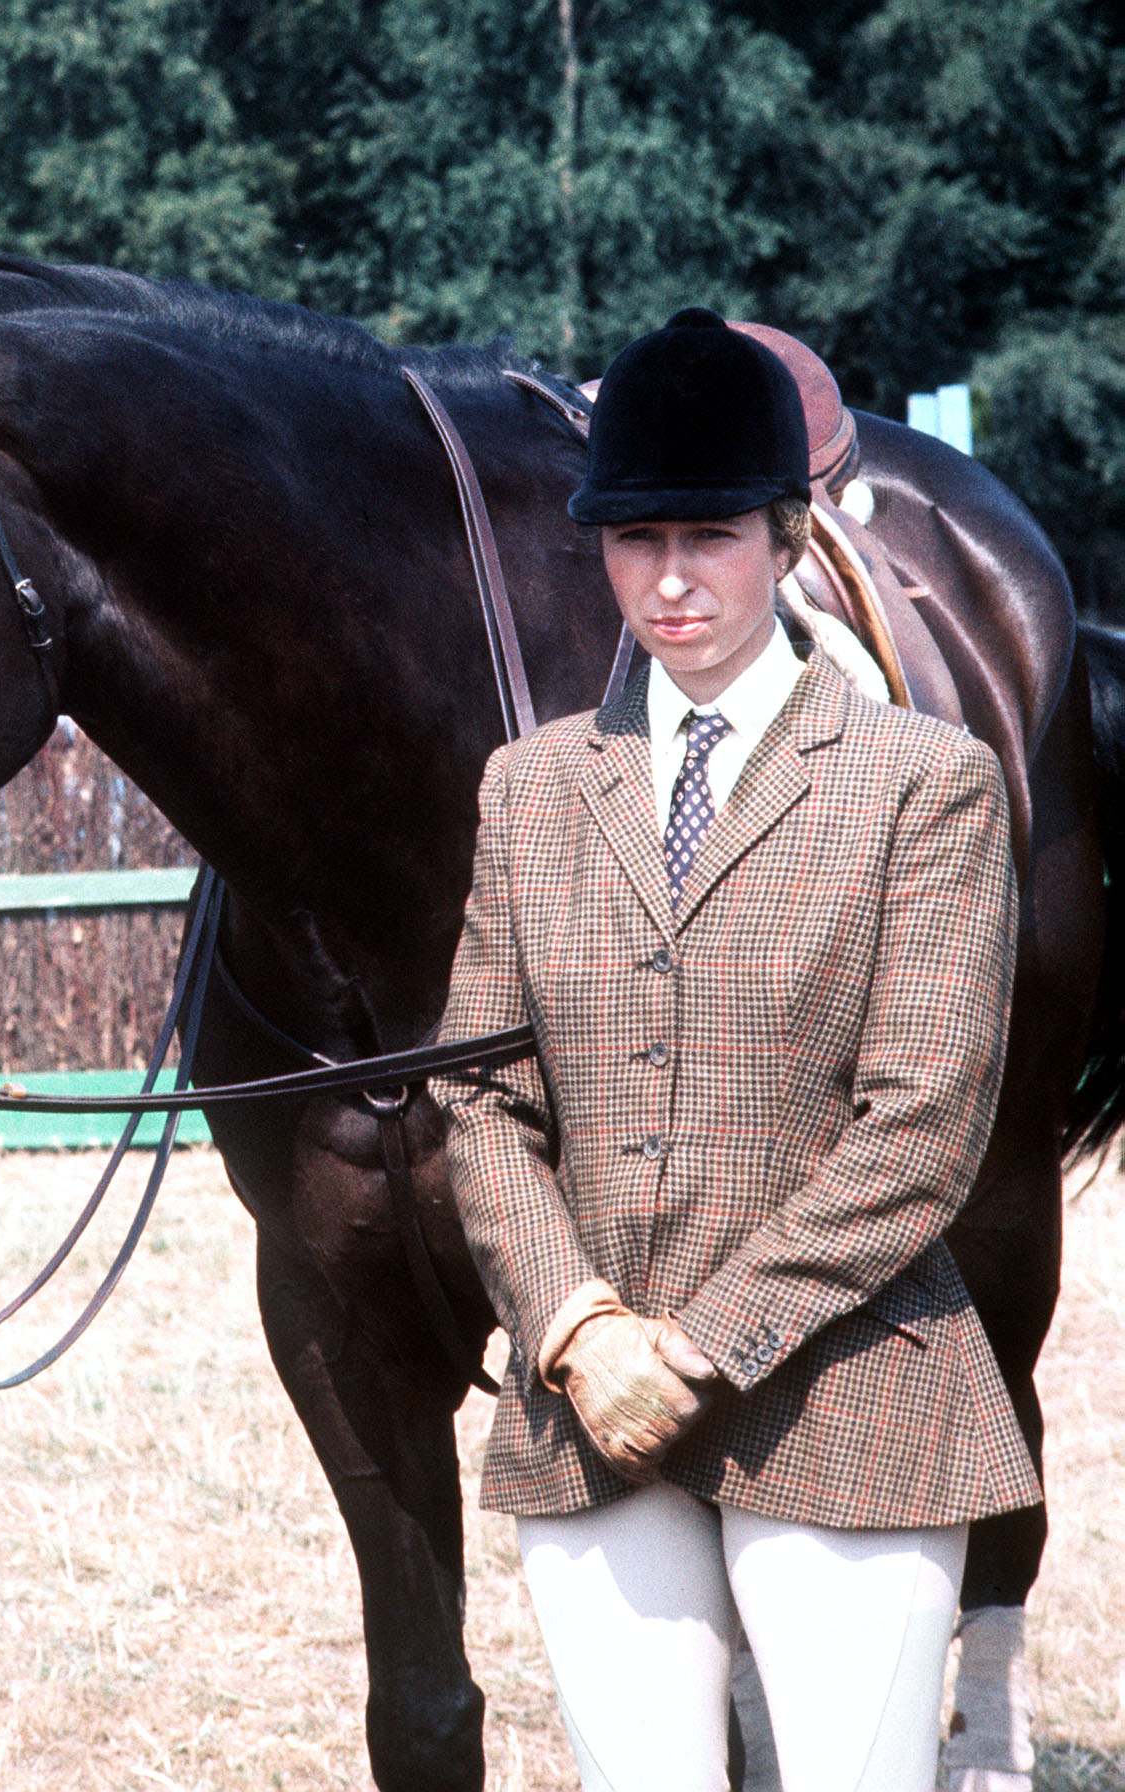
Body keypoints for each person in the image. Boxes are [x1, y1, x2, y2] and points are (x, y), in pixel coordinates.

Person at [431, 308, 1040, 1792]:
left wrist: (699, 1348)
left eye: (708, 534)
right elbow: (479, 1095)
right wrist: (577, 1329)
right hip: (594, 1399)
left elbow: (924, 1126)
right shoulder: (532, 789)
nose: (671, 578)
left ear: (786, 532)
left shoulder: (925, 785)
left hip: (851, 1389)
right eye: (634, 540)